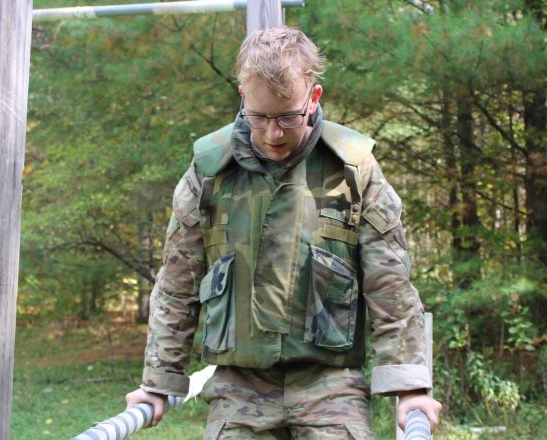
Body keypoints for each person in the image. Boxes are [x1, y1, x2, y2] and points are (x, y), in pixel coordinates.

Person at [126, 26, 442, 438]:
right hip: (239, 388)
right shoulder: (208, 172)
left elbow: (390, 284)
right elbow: (176, 285)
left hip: (330, 386)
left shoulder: (354, 170)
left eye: (288, 116)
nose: (274, 133)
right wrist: (158, 382)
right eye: (259, 117)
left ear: (314, 98)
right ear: (242, 96)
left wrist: (411, 388)